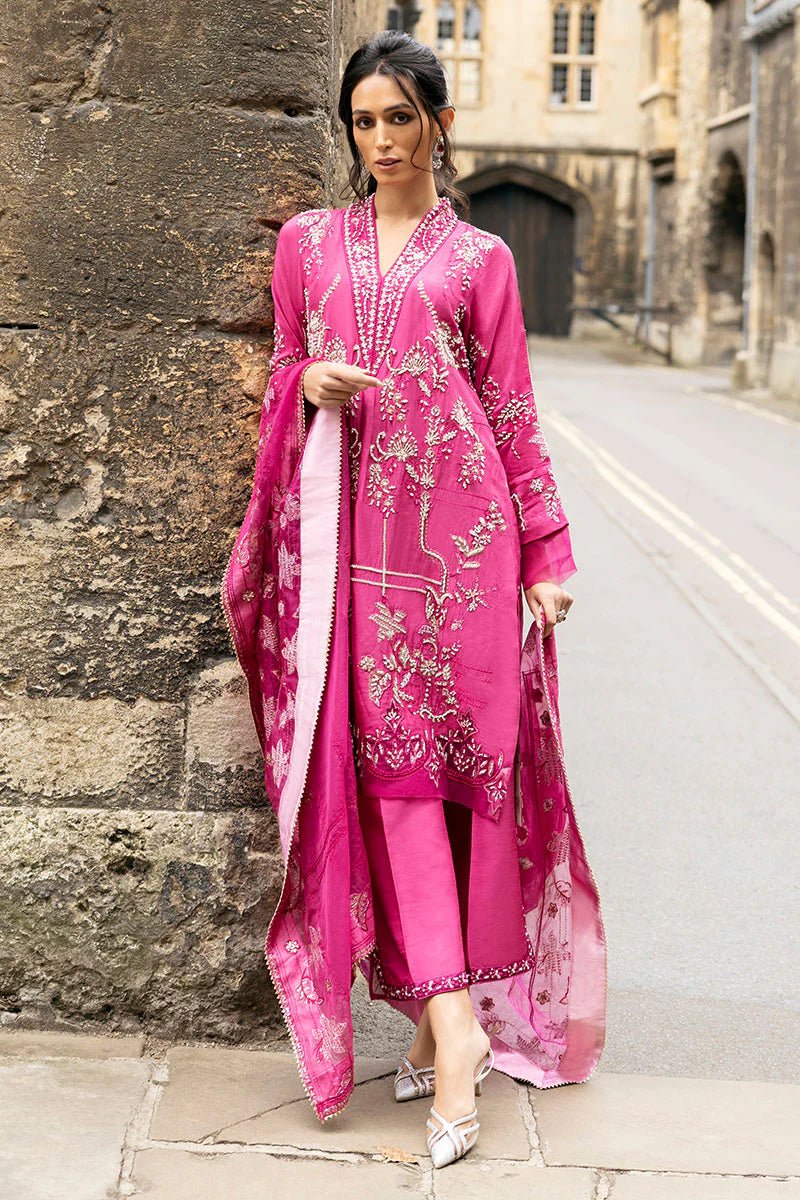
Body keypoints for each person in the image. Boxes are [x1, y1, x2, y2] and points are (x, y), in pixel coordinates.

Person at [221, 28, 606, 1170]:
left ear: (438, 122)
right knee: (378, 782)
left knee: (448, 791)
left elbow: (515, 413)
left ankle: (452, 1033)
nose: (380, 140)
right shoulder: (308, 246)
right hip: (352, 566)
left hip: (462, 555)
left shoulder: (481, 260)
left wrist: (547, 553)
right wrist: (310, 385)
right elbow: (286, 366)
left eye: (399, 117)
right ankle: (451, 1038)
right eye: (363, 120)